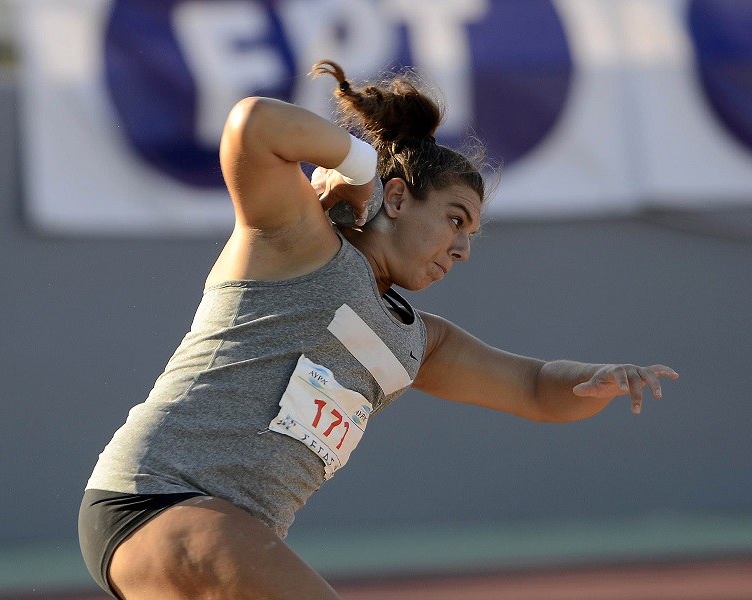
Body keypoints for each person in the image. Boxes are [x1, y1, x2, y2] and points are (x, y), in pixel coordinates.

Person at [78, 60, 678, 600]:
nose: (464, 249)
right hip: (156, 497)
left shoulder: (419, 342)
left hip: (222, 525)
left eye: (472, 234)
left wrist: (601, 378)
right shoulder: (300, 243)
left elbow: (534, 387)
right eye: (455, 220)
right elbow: (253, 123)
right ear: (395, 197)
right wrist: (357, 162)